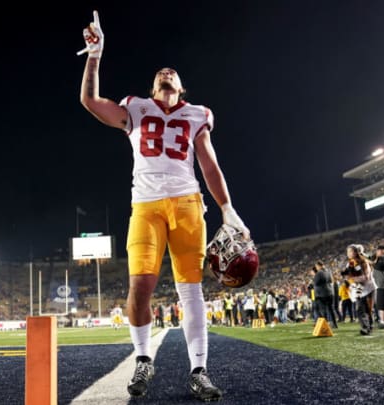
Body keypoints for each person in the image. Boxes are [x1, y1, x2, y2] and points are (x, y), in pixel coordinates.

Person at [78, 11, 249, 401]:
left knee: (191, 292)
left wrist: (228, 209)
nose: (166, 73)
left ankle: (199, 370)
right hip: (146, 206)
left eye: (171, 72)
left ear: (181, 87)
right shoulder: (134, 108)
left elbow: (209, 164)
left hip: (188, 204)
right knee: (140, 288)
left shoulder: (196, 114)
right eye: (160, 72)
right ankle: (142, 359)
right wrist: (95, 54)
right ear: (154, 85)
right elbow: (90, 100)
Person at [342, 244, 376, 335]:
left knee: (368, 309)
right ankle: (365, 327)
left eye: (350, 251)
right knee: (360, 309)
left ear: (356, 252)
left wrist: (352, 279)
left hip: (368, 288)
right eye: (347, 252)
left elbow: (366, 277)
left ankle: (370, 326)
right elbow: (346, 276)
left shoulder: (363, 261)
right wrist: (348, 279)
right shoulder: (349, 263)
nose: (348, 253)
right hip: (358, 289)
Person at [311, 261, 338, 329]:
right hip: (330, 292)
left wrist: (314, 276)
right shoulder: (328, 271)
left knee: (323, 310)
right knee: (331, 309)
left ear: (319, 266)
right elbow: (331, 280)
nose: (316, 268)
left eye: (316, 267)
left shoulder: (319, 273)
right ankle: (334, 324)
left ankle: (325, 325)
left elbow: (315, 283)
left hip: (321, 294)